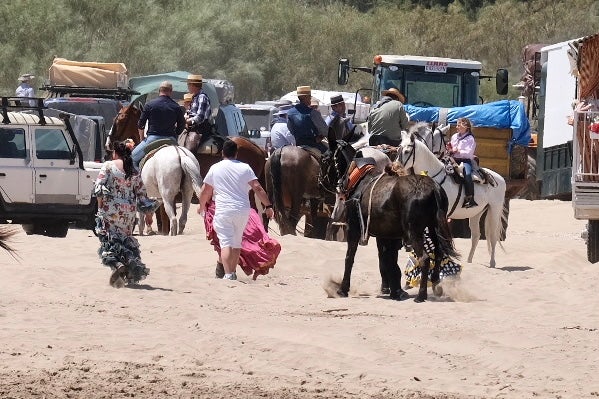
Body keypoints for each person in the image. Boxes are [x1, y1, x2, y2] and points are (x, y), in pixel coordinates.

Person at [197, 139, 275, 280]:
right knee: (237, 243)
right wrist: (268, 206)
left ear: (222, 152)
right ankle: (232, 272)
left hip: (224, 209)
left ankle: (228, 275)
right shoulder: (245, 167)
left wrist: (201, 206)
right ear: (237, 153)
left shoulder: (215, 167)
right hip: (243, 210)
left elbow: (205, 190)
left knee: (225, 243)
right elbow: (257, 187)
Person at [94, 140, 159, 288]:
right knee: (125, 240)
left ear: (115, 153)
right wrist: (148, 213)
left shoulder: (108, 166)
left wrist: (100, 207)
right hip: (128, 213)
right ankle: (130, 267)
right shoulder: (134, 170)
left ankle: (117, 265)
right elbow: (142, 196)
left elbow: (99, 189)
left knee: (109, 239)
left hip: (110, 210)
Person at [131, 81, 185, 168]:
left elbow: (141, 124)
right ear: (171, 92)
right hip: (171, 140)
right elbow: (182, 125)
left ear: (159, 90)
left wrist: (142, 139)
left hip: (153, 139)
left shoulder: (149, 105)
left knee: (131, 159)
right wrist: (175, 134)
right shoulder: (176, 107)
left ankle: (138, 180)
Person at [446, 117, 478, 208]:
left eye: (459, 125)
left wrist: (458, 151)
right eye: (457, 125)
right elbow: (451, 149)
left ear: (466, 127)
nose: (456, 127)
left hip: (464, 161)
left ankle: (470, 198)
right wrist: (449, 149)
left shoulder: (470, 139)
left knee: (467, 174)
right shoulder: (454, 136)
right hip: (452, 159)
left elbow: (469, 153)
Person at [287, 86, 328, 153]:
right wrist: (320, 136)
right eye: (310, 97)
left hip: (298, 144)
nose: (310, 99)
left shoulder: (290, 113)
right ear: (305, 97)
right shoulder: (313, 113)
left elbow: (290, 129)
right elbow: (325, 131)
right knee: (329, 154)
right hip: (313, 144)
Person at [185, 74, 213, 140]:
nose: (188, 87)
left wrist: (187, 121)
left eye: (189, 84)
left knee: (191, 147)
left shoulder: (202, 97)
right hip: (193, 127)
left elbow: (200, 117)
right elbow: (191, 113)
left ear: (194, 85)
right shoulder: (194, 97)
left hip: (200, 129)